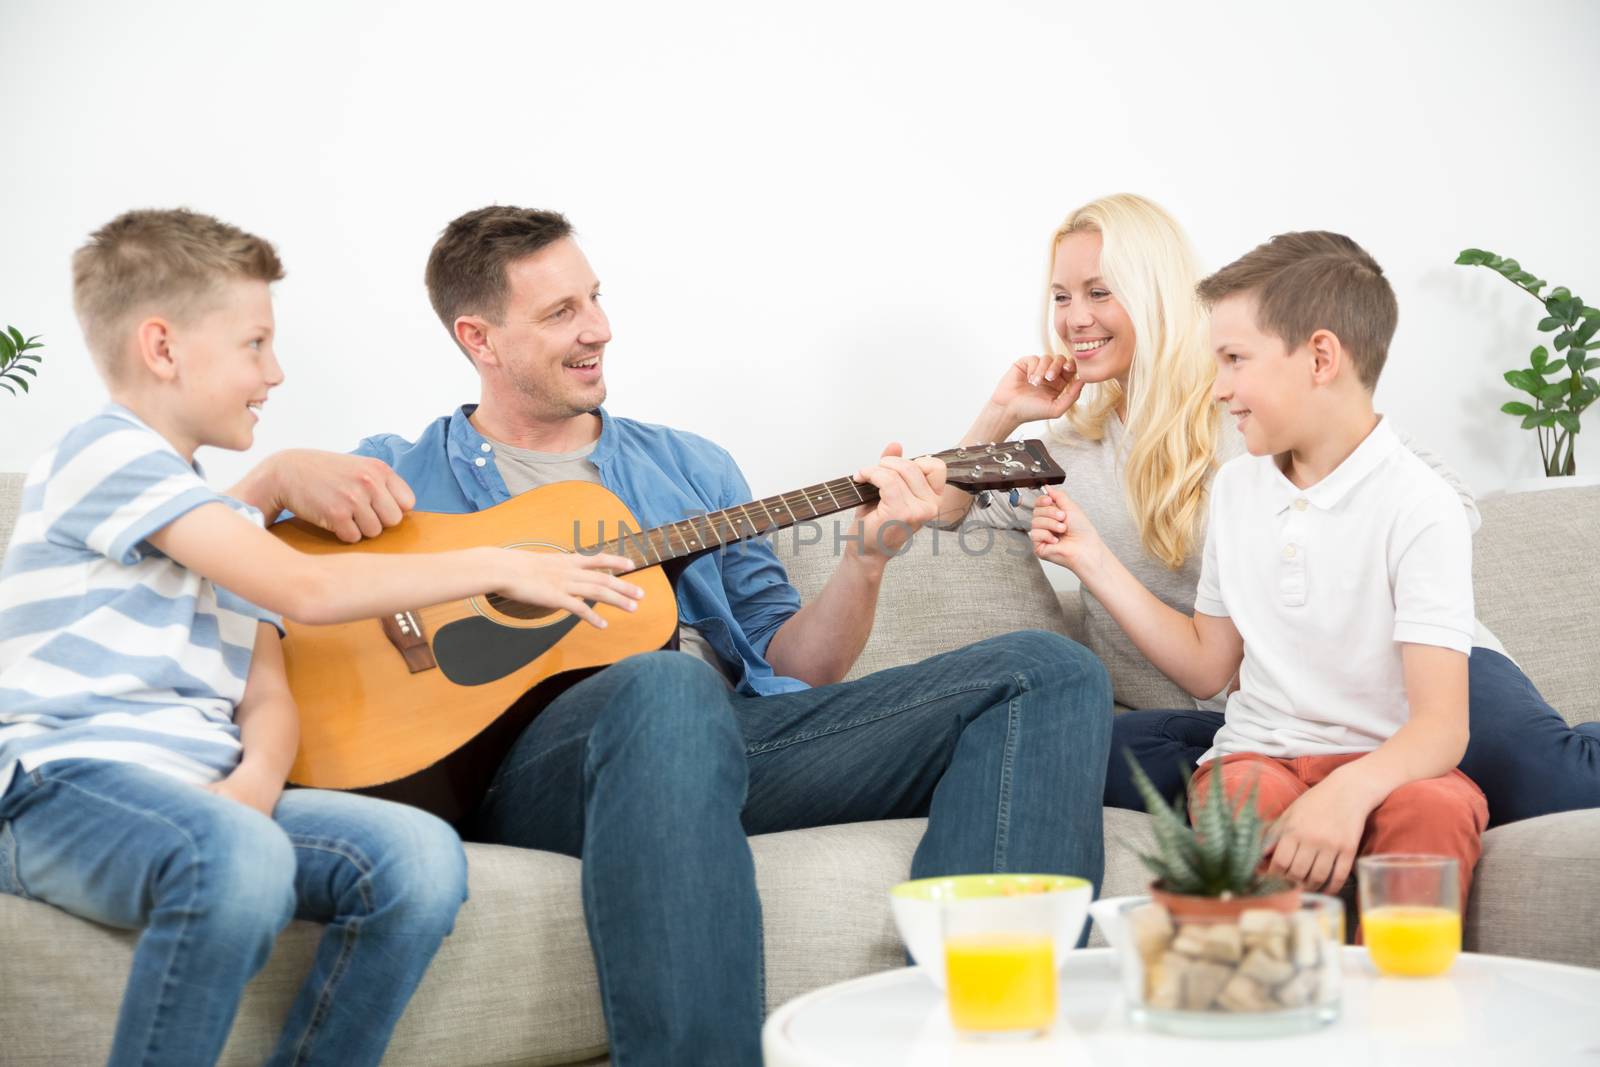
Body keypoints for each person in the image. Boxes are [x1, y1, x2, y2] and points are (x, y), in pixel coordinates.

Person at [258, 204, 1113, 1067]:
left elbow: (800, 667)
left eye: (594, 298)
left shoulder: (693, 469)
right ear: (479, 339)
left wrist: (866, 558)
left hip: (734, 746)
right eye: (560, 313)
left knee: (1047, 670)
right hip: (536, 772)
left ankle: (978, 1045)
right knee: (667, 683)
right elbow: (237, 568)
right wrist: (276, 475)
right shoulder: (399, 471)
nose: (598, 328)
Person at [0, 209, 646, 1066]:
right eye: (255, 344)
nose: (275, 372)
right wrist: (497, 564)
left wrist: (254, 784)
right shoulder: (104, 457)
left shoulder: (231, 528)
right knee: (235, 858)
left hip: (201, 799)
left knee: (420, 859)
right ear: (162, 349)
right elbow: (308, 592)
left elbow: (268, 694)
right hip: (64, 791)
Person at [937, 192, 1599, 827]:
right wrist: (1004, 411)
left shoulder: (1253, 402)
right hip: (1263, 716)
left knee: (1563, 788)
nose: (1075, 317)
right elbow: (943, 508)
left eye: (1099, 292)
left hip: (1401, 675)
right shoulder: (1066, 456)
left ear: (1155, 295)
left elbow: (1449, 503)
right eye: (1061, 296)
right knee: (1088, 754)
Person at [1031, 230, 1486, 905]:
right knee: (1241, 801)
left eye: (1235, 360)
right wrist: (1090, 557)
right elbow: (1210, 665)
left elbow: (1442, 727)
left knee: (1438, 807)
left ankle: (1395, 1001)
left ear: (1321, 357)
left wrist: (1348, 792)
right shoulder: (1238, 489)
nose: (1218, 390)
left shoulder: (1422, 503)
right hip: (1257, 756)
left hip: (1386, 761)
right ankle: (1266, 988)